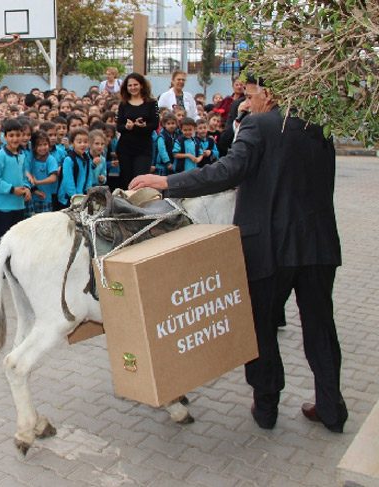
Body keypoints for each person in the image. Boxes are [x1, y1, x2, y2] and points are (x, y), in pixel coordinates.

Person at [130, 75, 347, 433]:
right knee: (321, 326)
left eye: (252, 95)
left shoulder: (259, 126)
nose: (247, 102)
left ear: (272, 94)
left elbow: (227, 171)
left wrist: (167, 182)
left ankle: (266, 407)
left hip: (268, 247)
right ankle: (331, 408)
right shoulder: (319, 129)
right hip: (317, 245)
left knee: (260, 326)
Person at [0, 118, 30, 244]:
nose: (15, 139)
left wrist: (27, 187)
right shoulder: (0, 156)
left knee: (16, 240)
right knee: (2, 241)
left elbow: (24, 175)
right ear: (4, 137)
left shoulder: (22, 155)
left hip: (18, 205)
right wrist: (12, 189)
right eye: (11, 135)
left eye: (18, 135)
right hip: (2, 206)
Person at [114, 73, 159, 190]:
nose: (133, 88)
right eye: (130, 85)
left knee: (140, 181)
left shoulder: (152, 103)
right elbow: (119, 126)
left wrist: (144, 126)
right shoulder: (123, 104)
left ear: (142, 85)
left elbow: (155, 124)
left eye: (135, 85)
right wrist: (127, 127)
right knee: (126, 180)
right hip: (125, 148)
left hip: (143, 148)